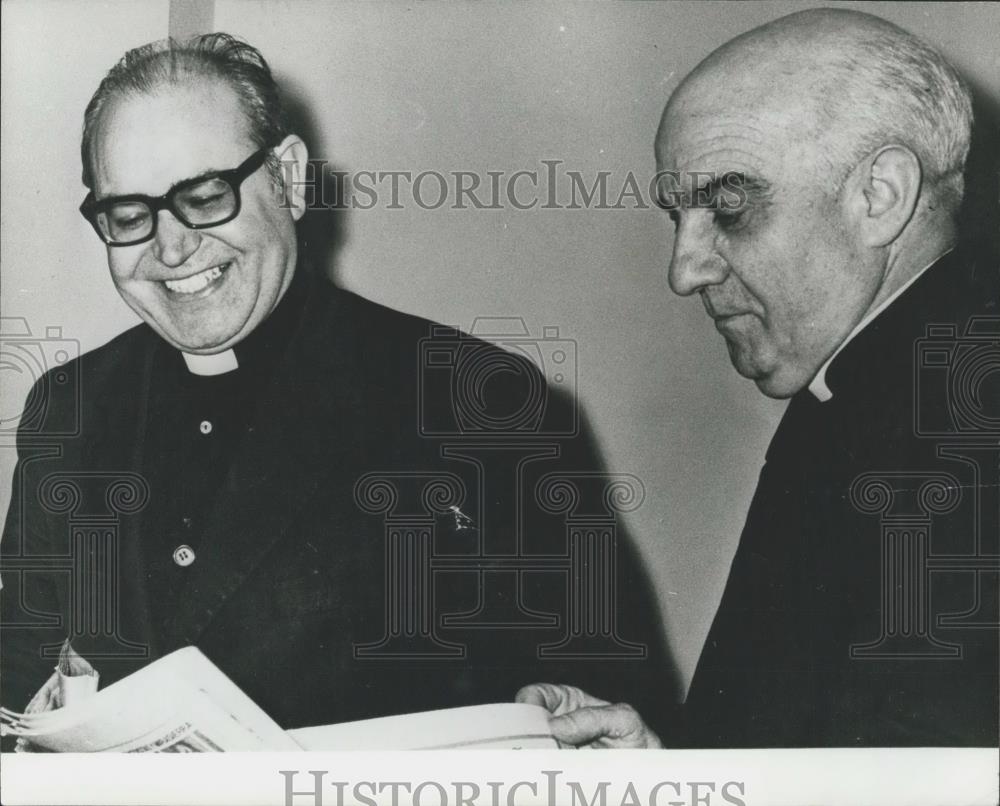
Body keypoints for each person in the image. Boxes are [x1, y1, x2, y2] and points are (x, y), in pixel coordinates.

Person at [0, 33, 672, 747]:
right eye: (130, 216)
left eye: (204, 196)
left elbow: (609, 703)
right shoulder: (69, 404)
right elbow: (20, 674)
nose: (170, 249)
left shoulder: (477, 400)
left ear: (288, 177)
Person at [519, 8, 999, 748]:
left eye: (731, 209)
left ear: (881, 195)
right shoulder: (883, 383)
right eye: (678, 218)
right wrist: (667, 773)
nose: (685, 271)